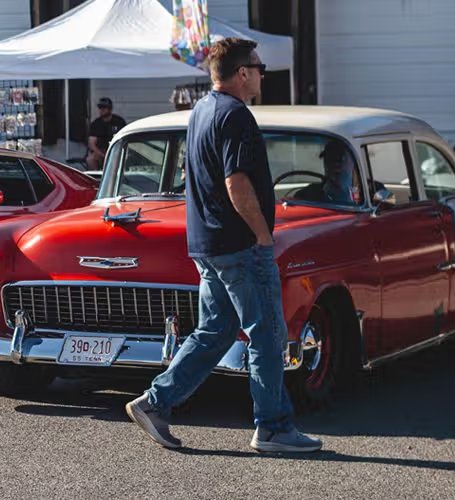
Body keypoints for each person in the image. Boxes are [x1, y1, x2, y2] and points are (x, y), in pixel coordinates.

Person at [124, 37, 323, 453]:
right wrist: (263, 235)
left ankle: (155, 402)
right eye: (258, 66)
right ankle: (273, 427)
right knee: (267, 335)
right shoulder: (236, 115)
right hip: (240, 245)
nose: (263, 73)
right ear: (242, 73)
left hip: (209, 244)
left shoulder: (201, 111)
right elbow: (237, 182)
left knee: (215, 332)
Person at [87, 97, 127, 171]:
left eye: (104, 107)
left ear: (110, 109)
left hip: (116, 150)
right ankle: (96, 177)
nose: (101, 110)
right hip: (101, 151)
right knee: (90, 159)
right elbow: (92, 144)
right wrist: (103, 155)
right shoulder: (96, 124)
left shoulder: (119, 121)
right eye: (100, 107)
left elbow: (125, 138)